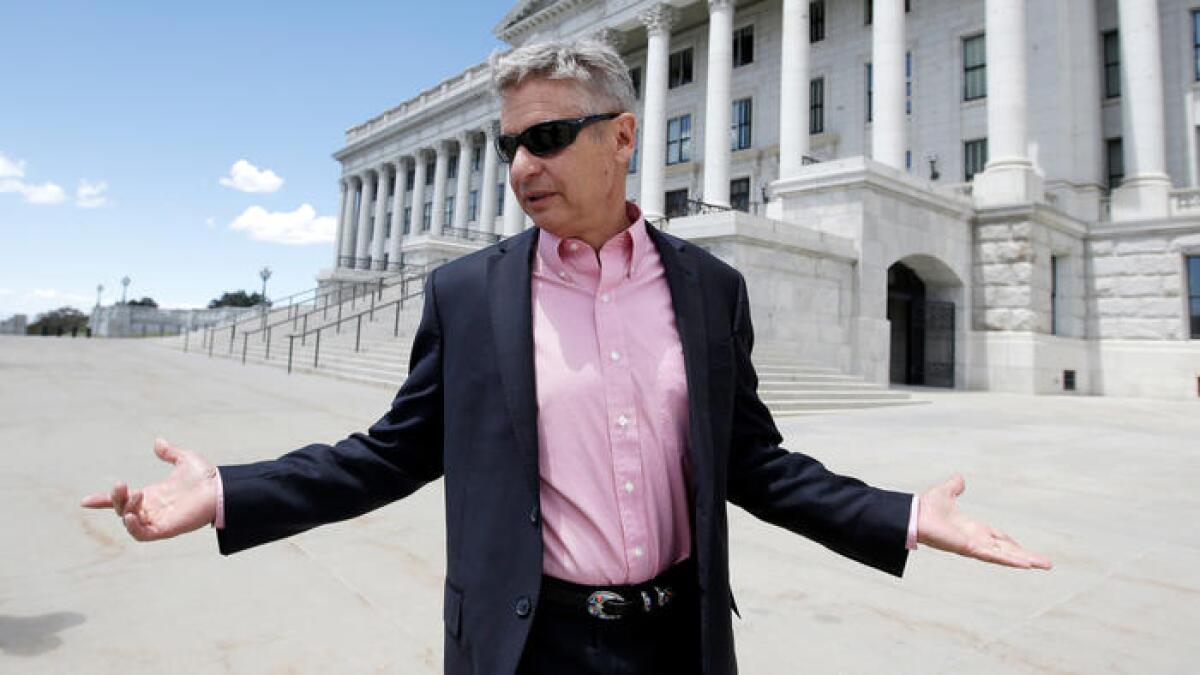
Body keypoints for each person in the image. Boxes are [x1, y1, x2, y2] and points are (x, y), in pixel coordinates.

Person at [82, 39, 1051, 675]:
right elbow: (392, 452)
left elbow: (752, 461)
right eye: (511, 144)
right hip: (526, 644)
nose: (520, 168)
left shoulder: (710, 289)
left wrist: (907, 515)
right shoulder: (467, 294)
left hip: (680, 640)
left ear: (624, 137)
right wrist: (230, 492)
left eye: (547, 138)